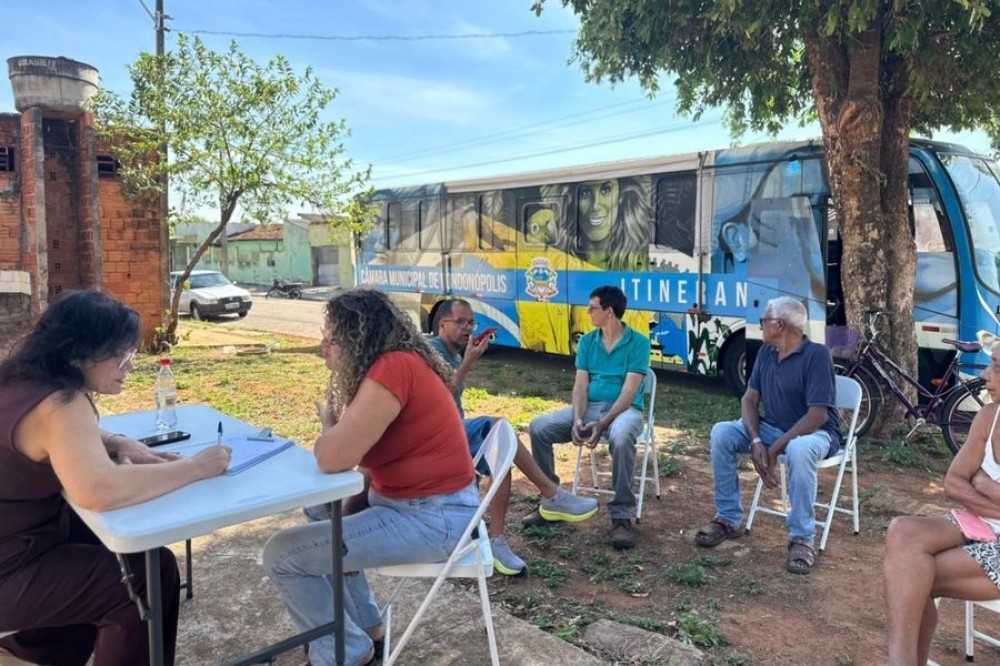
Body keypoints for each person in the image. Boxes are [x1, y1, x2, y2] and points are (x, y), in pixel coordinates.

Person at [0, 290, 231, 666]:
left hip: (20, 543)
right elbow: (98, 491)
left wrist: (116, 441)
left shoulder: (18, 378)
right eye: (120, 355)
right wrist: (197, 467)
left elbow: (53, 435)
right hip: (12, 566)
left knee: (107, 545)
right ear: (78, 354)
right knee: (147, 578)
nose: (130, 366)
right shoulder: (61, 402)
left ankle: (37, 655)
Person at [262, 288, 482, 666]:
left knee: (281, 555)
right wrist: (345, 515)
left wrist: (329, 425)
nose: (323, 347)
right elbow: (365, 466)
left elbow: (332, 458)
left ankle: (346, 653)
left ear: (356, 338)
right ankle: (368, 629)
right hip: (429, 508)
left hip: (434, 518)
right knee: (321, 510)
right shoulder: (400, 363)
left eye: (331, 338)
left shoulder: (393, 368)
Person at [428, 300, 599, 576]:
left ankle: (497, 542)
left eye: (471, 322)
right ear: (442, 324)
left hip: (454, 432)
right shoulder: (432, 352)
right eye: (460, 322)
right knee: (500, 427)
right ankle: (551, 494)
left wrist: (465, 361)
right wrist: (468, 363)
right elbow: (437, 400)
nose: (468, 328)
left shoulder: (455, 355)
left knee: (502, 455)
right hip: (436, 437)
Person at [694, 296, 841, 575]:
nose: (760, 325)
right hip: (772, 429)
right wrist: (756, 441)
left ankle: (802, 538)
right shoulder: (766, 353)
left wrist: (773, 450)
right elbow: (749, 399)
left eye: (764, 320)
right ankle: (727, 519)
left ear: (780, 325)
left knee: (799, 450)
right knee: (722, 432)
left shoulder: (817, 355)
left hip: (816, 433)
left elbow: (818, 416)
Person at [884, 338, 1000, 665]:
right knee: (902, 531)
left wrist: (984, 484)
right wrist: (986, 489)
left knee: (908, 577)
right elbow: (954, 482)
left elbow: (969, 481)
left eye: (996, 366)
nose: (986, 375)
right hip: (979, 523)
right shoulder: (989, 417)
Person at [525, 285, 651, 550]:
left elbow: (629, 392)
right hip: (591, 407)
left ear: (609, 310)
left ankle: (622, 516)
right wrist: (577, 419)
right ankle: (552, 499)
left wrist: (603, 423)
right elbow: (580, 385)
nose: (588, 312)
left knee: (621, 436)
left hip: (625, 410)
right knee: (539, 427)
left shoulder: (639, 342)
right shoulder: (587, 341)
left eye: (593, 307)